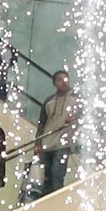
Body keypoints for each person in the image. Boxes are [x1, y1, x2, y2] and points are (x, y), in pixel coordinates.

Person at [35, 70, 80, 202]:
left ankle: (56, 204)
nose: (64, 82)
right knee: (47, 178)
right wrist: (37, 144)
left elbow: (88, 112)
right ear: (54, 83)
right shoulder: (49, 101)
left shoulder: (77, 97)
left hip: (63, 144)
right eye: (60, 80)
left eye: (66, 79)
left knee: (57, 175)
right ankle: (47, 205)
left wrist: (77, 116)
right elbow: (42, 123)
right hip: (47, 143)